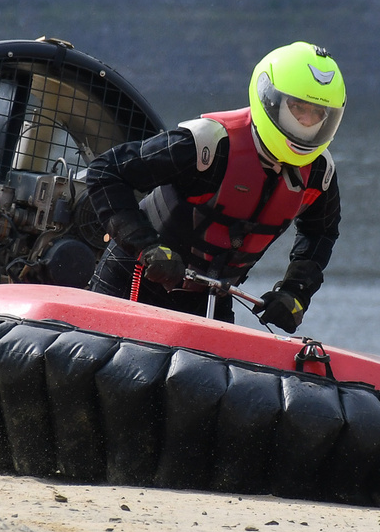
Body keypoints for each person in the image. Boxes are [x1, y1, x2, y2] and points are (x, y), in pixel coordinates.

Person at [84, 42, 344, 332]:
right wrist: (146, 247)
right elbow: (106, 172)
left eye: (318, 114)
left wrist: (295, 291)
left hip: (211, 298)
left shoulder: (319, 172)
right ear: (270, 100)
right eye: (298, 109)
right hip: (133, 279)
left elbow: (321, 232)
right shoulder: (208, 144)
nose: (307, 123)